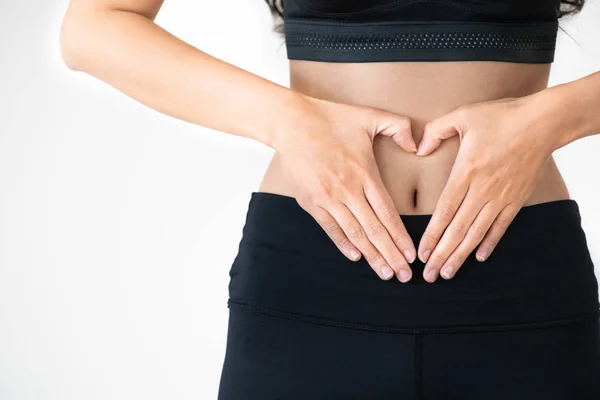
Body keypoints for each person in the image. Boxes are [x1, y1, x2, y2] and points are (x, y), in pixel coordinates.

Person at [59, 0, 600, 398]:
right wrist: (288, 120)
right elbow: (94, 25)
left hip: (520, 279)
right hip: (311, 277)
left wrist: (552, 118)